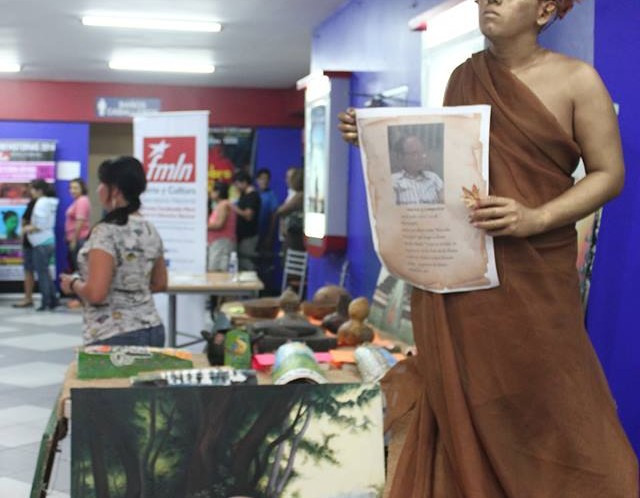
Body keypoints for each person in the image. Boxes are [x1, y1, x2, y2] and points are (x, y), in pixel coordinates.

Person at [338, 1, 638, 496]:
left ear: (544, 10)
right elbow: (442, 169)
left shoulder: (577, 80)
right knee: (466, 409)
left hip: (535, 278)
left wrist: (537, 217)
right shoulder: (463, 77)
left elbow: (610, 174)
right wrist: (370, 140)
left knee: (556, 406)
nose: (488, 0)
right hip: (465, 279)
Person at [59, 156, 167, 347]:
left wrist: (73, 283)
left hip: (113, 334)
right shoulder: (149, 228)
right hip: (153, 328)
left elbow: (96, 294)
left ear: (114, 190)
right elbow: (160, 283)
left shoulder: (106, 232)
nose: (98, 189)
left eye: (102, 183)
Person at [22, 179, 59, 311]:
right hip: (48, 240)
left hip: (40, 242)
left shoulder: (41, 202)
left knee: (42, 274)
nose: (30, 191)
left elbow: (39, 225)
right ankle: (53, 299)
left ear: (39, 190)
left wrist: (26, 229)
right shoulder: (51, 201)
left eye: (32, 189)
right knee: (45, 272)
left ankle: (46, 302)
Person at [391, 134, 444, 205]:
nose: (421, 157)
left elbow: (446, 206)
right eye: (415, 154)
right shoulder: (394, 181)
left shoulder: (434, 178)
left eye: (422, 152)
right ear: (401, 157)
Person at [231, 170, 261, 271]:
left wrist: (234, 208)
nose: (236, 187)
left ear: (244, 182)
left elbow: (248, 216)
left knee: (246, 262)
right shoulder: (243, 195)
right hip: (241, 236)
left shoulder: (252, 196)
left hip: (248, 236)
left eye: (237, 184)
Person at [270, 167, 304, 253]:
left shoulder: (300, 195)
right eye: (287, 177)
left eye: (292, 178)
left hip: (295, 236)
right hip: (287, 235)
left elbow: (281, 210)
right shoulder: (292, 193)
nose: (289, 180)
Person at [12, 192, 37, 308]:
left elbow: (25, 221)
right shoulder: (41, 203)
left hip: (31, 241)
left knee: (29, 271)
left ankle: (28, 298)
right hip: (32, 241)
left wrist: (24, 230)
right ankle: (28, 297)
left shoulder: (34, 203)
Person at [207, 181, 237, 271]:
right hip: (217, 243)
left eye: (213, 191)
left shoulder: (224, 205)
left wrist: (203, 226)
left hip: (222, 243)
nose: (211, 193)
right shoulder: (221, 205)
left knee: (216, 271)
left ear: (218, 192)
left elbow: (219, 224)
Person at [64, 178, 91, 272]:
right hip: (75, 239)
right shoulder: (77, 201)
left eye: (76, 188)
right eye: (71, 188)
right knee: (74, 266)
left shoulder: (82, 201)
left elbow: (80, 221)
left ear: (82, 189)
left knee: (78, 268)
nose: (72, 191)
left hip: (79, 239)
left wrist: (74, 240)